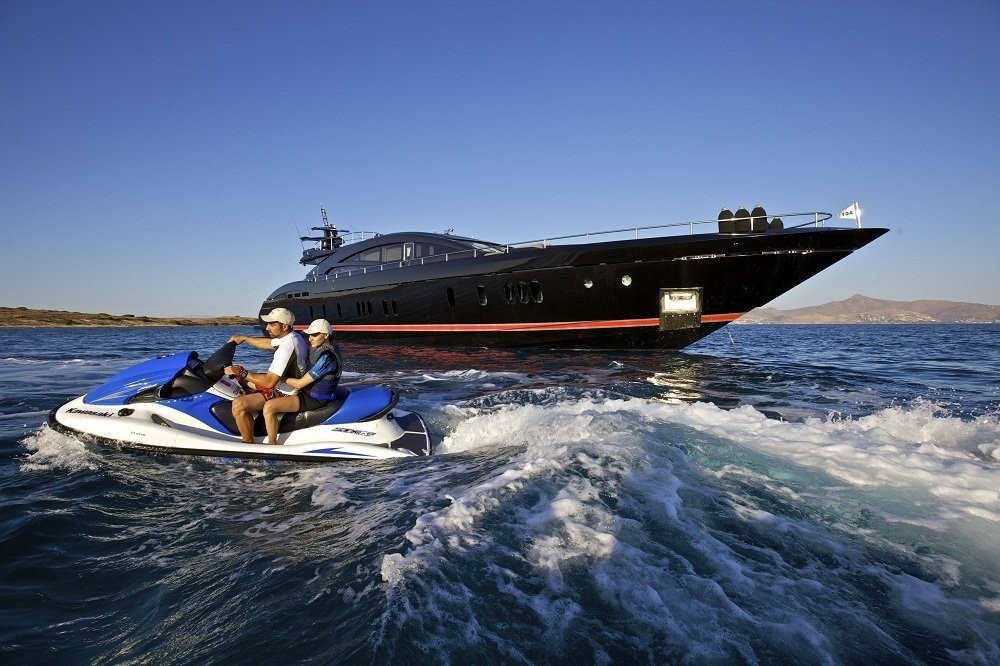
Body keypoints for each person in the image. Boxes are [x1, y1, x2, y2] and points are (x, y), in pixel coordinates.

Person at [223, 307, 309, 443]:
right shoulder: (292, 337)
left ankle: (248, 443)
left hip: (285, 392)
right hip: (282, 384)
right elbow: (267, 343)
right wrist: (244, 338)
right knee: (243, 383)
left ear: (284, 326)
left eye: (272, 324)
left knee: (238, 404)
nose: (267, 328)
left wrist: (241, 372)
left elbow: (269, 382)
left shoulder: (287, 347)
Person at [261, 319, 342, 445]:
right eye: (309, 335)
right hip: (307, 392)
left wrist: (279, 379)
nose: (310, 339)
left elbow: (300, 384)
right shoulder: (319, 348)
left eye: (314, 335)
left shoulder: (327, 358)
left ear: (326, 335)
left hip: (316, 398)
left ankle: (271, 444)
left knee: (269, 407)